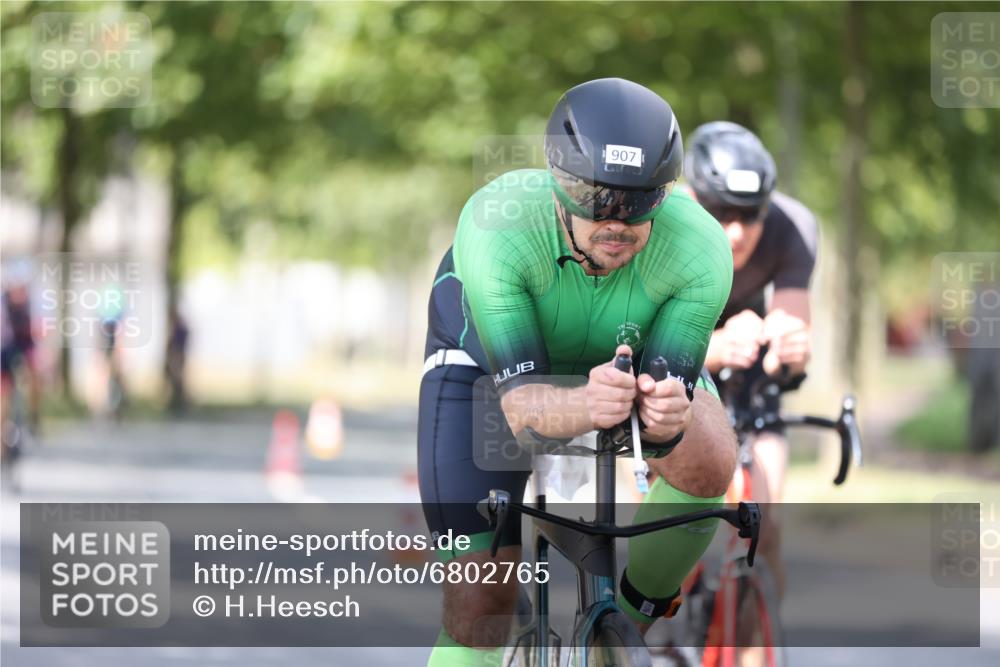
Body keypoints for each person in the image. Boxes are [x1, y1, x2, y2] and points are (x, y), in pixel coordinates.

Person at [418, 78, 736, 666]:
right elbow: (518, 412)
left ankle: (627, 628)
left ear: (665, 193)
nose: (616, 220)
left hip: (623, 352)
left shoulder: (700, 249)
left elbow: (666, 419)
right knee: (478, 611)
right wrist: (586, 406)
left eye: (638, 201)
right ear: (559, 185)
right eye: (596, 197)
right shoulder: (498, 223)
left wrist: (667, 417)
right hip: (487, 366)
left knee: (711, 456)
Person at [684, 121, 820, 597]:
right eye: (720, 213)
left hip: (747, 369)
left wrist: (791, 352)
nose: (736, 231)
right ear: (692, 196)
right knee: (668, 530)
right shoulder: (663, 223)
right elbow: (634, 340)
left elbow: (790, 352)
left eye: (750, 214)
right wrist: (714, 347)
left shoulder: (793, 228)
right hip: (672, 361)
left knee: (765, 529)